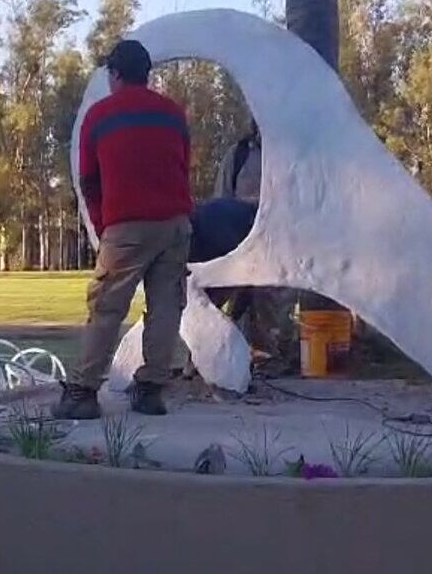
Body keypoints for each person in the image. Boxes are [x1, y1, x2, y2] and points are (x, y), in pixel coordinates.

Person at [53, 40, 192, 419]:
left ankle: (83, 392)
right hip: (175, 225)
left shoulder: (99, 116)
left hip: (126, 226)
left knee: (107, 308)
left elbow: (89, 180)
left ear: (115, 74)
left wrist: (104, 227)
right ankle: (151, 391)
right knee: (166, 307)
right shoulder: (173, 113)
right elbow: (183, 166)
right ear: (145, 74)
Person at [212, 119, 297, 366]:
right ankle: (235, 356)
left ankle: (277, 356)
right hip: (240, 239)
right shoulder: (238, 155)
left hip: (279, 241)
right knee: (238, 300)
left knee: (276, 302)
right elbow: (222, 198)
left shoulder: (292, 157)